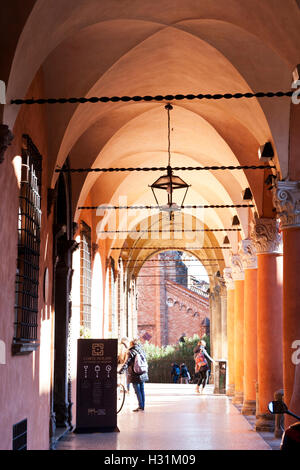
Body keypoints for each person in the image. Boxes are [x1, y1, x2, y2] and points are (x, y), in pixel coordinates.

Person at [119, 338, 148, 412]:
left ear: (131, 344)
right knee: (142, 390)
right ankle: (142, 406)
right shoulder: (142, 350)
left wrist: (120, 371)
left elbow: (126, 363)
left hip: (135, 374)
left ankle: (140, 406)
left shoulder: (131, 351)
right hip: (143, 372)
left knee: (137, 391)